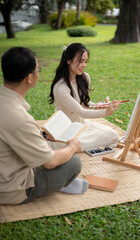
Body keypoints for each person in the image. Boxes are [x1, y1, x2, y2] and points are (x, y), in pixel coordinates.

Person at [0, 47, 88, 205]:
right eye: (38, 70)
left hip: (6, 166)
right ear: (29, 78)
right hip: (10, 189)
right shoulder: (20, 119)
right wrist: (73, 147)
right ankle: (60, 183)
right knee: (73, 162)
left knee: (47, 142)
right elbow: (49, 162)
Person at [49, 43, 121, 151]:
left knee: (112, 135)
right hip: (65, 129)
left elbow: (85, 104)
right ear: (68, 60)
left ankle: (74, 146)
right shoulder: (60, 87)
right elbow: (81, 111)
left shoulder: (85, 78)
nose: (84, 65)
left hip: (82, 124)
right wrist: (106, 112)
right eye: (80, 61)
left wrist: (101, 105)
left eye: (86, 61)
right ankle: (70, 146)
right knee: (64, 144)